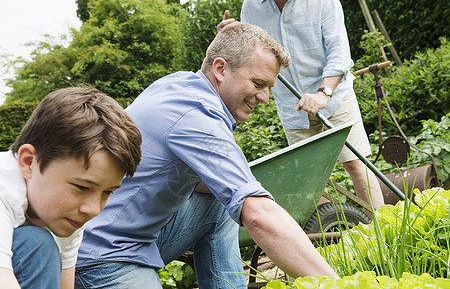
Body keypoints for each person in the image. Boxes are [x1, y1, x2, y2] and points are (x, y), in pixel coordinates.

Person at [75, 22, 339, 289]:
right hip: (102, 255)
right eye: (258, 83)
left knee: (221, 201)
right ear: (221, 69)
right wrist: (338, 284)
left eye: (269, 87)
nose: (265, 98)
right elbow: (257, 215)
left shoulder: (180, 85)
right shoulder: (195, 114)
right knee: (244, 203)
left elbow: (216, 187)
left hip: (135, 235)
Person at [218, 0, 384, 217]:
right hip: (292, 106)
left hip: (335, 96)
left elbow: (339, 52)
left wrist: (323, 93)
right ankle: (336, 236)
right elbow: (250, 55)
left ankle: (383, 234)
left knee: (357, 165)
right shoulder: (252, 5)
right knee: (311, 182)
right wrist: (229, 39)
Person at [0, 87, 142, 289]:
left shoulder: (67, 212)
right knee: (36, 243)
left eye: (107, 192)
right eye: (82, 187)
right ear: (29, 161)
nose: (93, 209)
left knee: (37, 244)